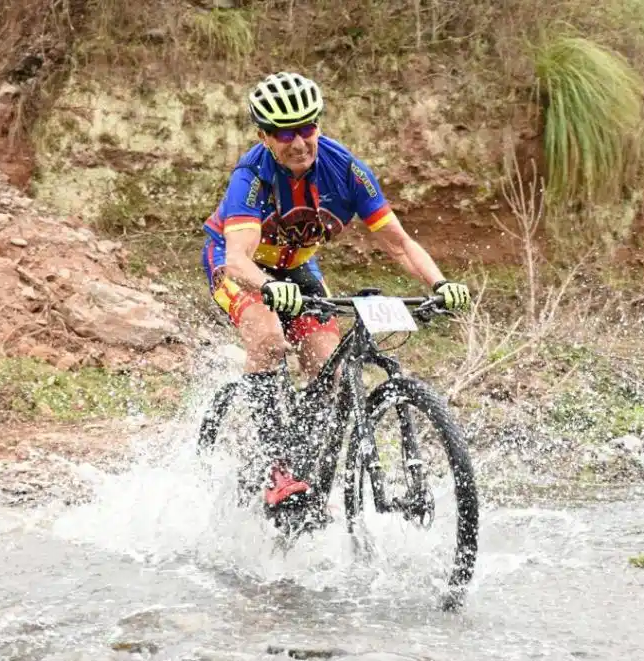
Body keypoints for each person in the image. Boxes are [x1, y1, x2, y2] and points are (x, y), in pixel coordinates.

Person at [200, 71, 470, 515]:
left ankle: (308, 461)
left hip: (297, 266)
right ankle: (275, 468)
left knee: (327, 361)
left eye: (307, 128)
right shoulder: (251, 177)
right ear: (264, 136)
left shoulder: (346, 171)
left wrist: (440, 284)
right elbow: (238, 260)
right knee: (268, 338)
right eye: (285, 133)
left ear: (319, 126)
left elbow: (398, 243)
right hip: (237, 264)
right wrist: (270, 289)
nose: (299, 142)